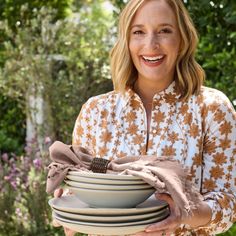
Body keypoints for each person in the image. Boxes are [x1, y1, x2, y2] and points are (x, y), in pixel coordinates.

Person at [54, 0, 236, 235]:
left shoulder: (212, 109)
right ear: (127, 41)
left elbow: (228, 204)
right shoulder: (95, 112)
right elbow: (84, 191)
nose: (151, 44)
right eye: (139, 32)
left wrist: (186, 214)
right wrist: (68, 206)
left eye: (164, 31)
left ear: (182, 39)